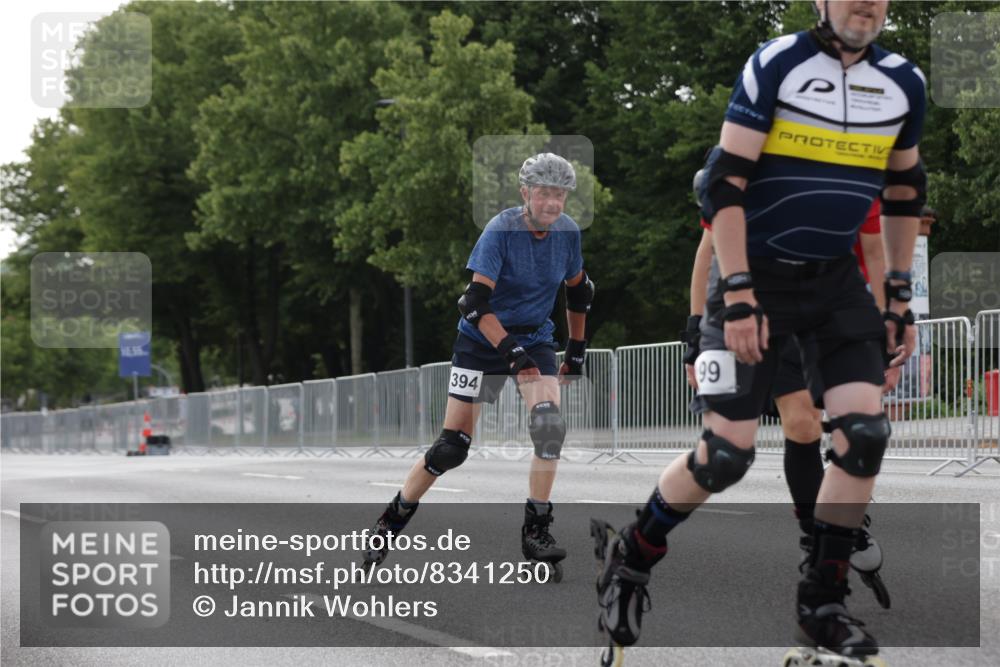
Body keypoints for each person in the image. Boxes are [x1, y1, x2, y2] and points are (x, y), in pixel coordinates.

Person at [596, 0, 925, 657]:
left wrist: (897, 294)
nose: (867, 3)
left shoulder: (903, 82)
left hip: (834, 282)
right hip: (756, 275)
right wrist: (738, 293)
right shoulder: (777, 64)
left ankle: (821, 600)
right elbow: (725, 182)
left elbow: (904, 190)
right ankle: (635, 551)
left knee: (863, 434)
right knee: (726, 454)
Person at [364, 153, 593, 578]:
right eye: (544, 193)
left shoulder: (567, 234)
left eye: (560, 195)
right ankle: (390, 521)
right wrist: (511, 355)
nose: (553, 203)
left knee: (549, 427)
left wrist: (576, 349)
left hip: (535, 337)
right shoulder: (501, 230)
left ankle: (536, 530)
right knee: (452, 448)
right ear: (525, 193)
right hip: (482, 342)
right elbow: (474, 303)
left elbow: (579, 292)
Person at [685, 169, 897, 609]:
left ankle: (841, 520)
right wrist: (694, 333)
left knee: (857, 431)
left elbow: (876, 250)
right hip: (768, 312)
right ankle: (814, 538)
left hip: (836, 311)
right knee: (799, 424)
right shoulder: (745, 169)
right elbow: (707, 256)